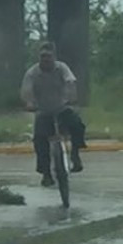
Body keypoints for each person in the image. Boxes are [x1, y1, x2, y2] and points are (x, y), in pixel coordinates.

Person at [21, 42, 87, 187]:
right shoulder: (32, 73)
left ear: (54, 57)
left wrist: (72, 97)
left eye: (48, 56)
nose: (45, 59)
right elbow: (27, 91)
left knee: (78, 125)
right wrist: (29, 103)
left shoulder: (62, 68)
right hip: (43, 111)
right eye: (43, 56)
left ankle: (75, 155)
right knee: (39, 140)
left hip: (62, 108)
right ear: (39, 57)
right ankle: (46, 174)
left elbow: (70, 82)